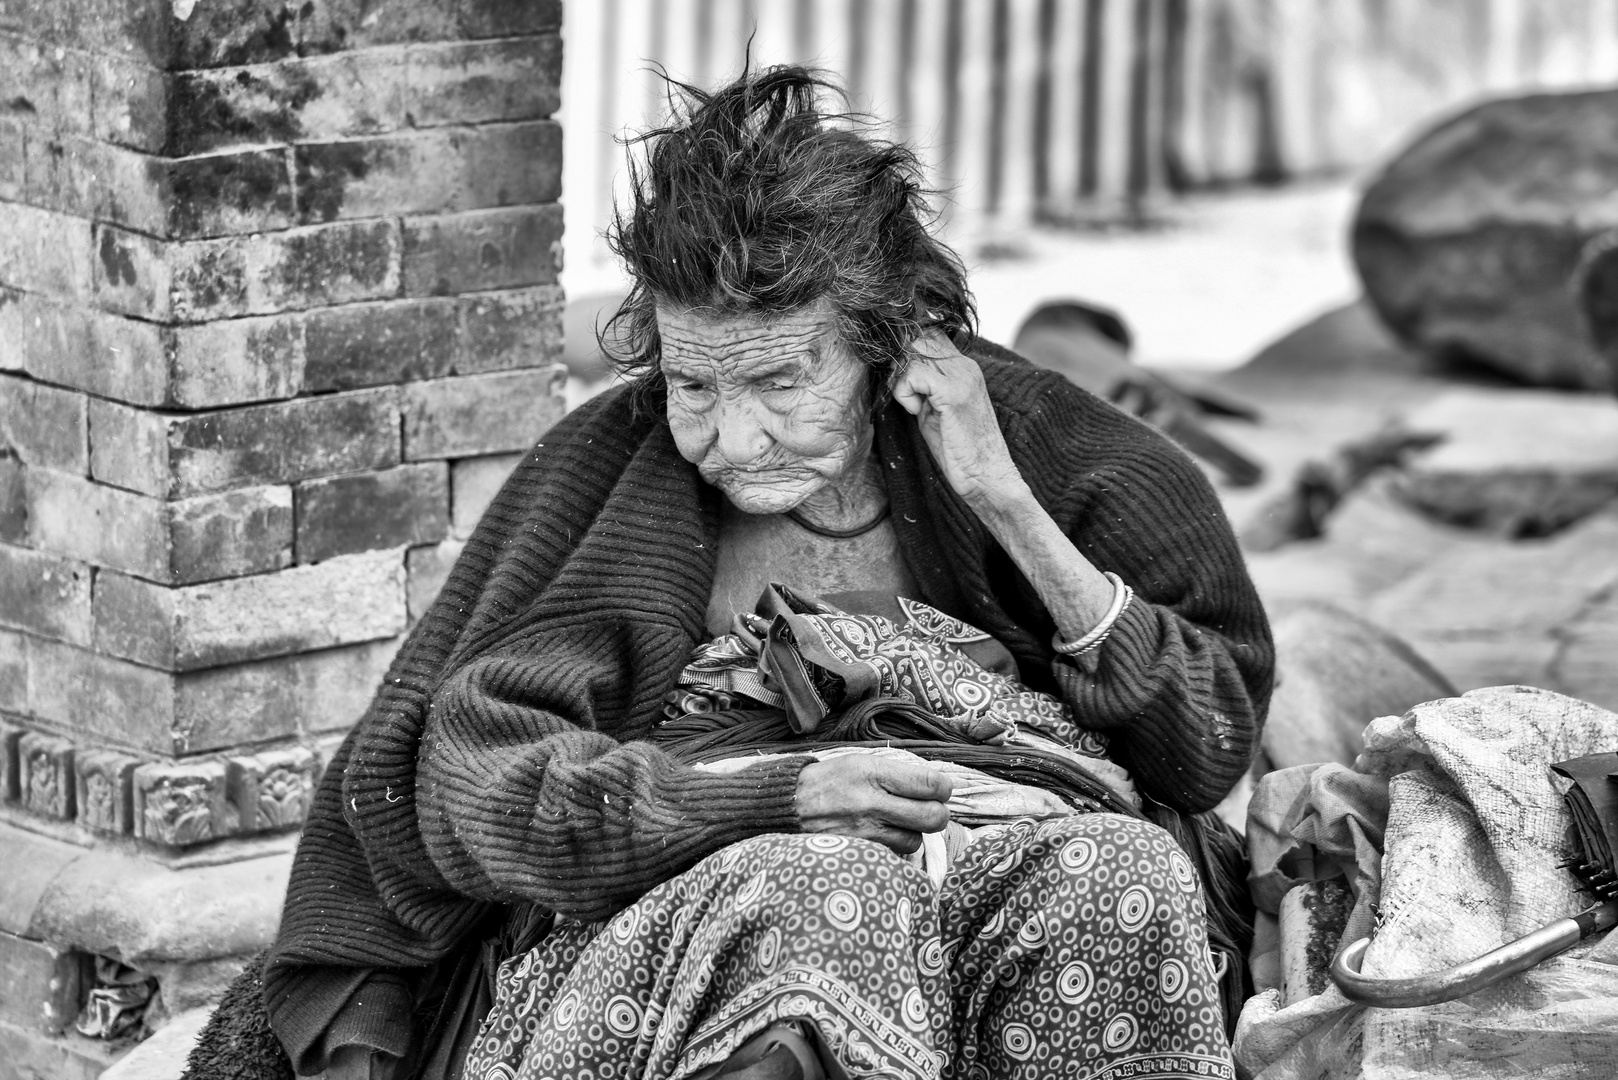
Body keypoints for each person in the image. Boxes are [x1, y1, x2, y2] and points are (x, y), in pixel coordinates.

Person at [260, 67, 1273, 1080]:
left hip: (999, 888)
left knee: (1118, 871)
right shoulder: (602, 472)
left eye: (780, 380)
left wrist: (1004, 501)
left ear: (885, 345)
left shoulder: (1064, 455)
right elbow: (470, 780)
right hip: (693, 921)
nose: (731, 439)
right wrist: (776, 800)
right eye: (693, 383)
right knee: (829, 886)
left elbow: (1203, 751)